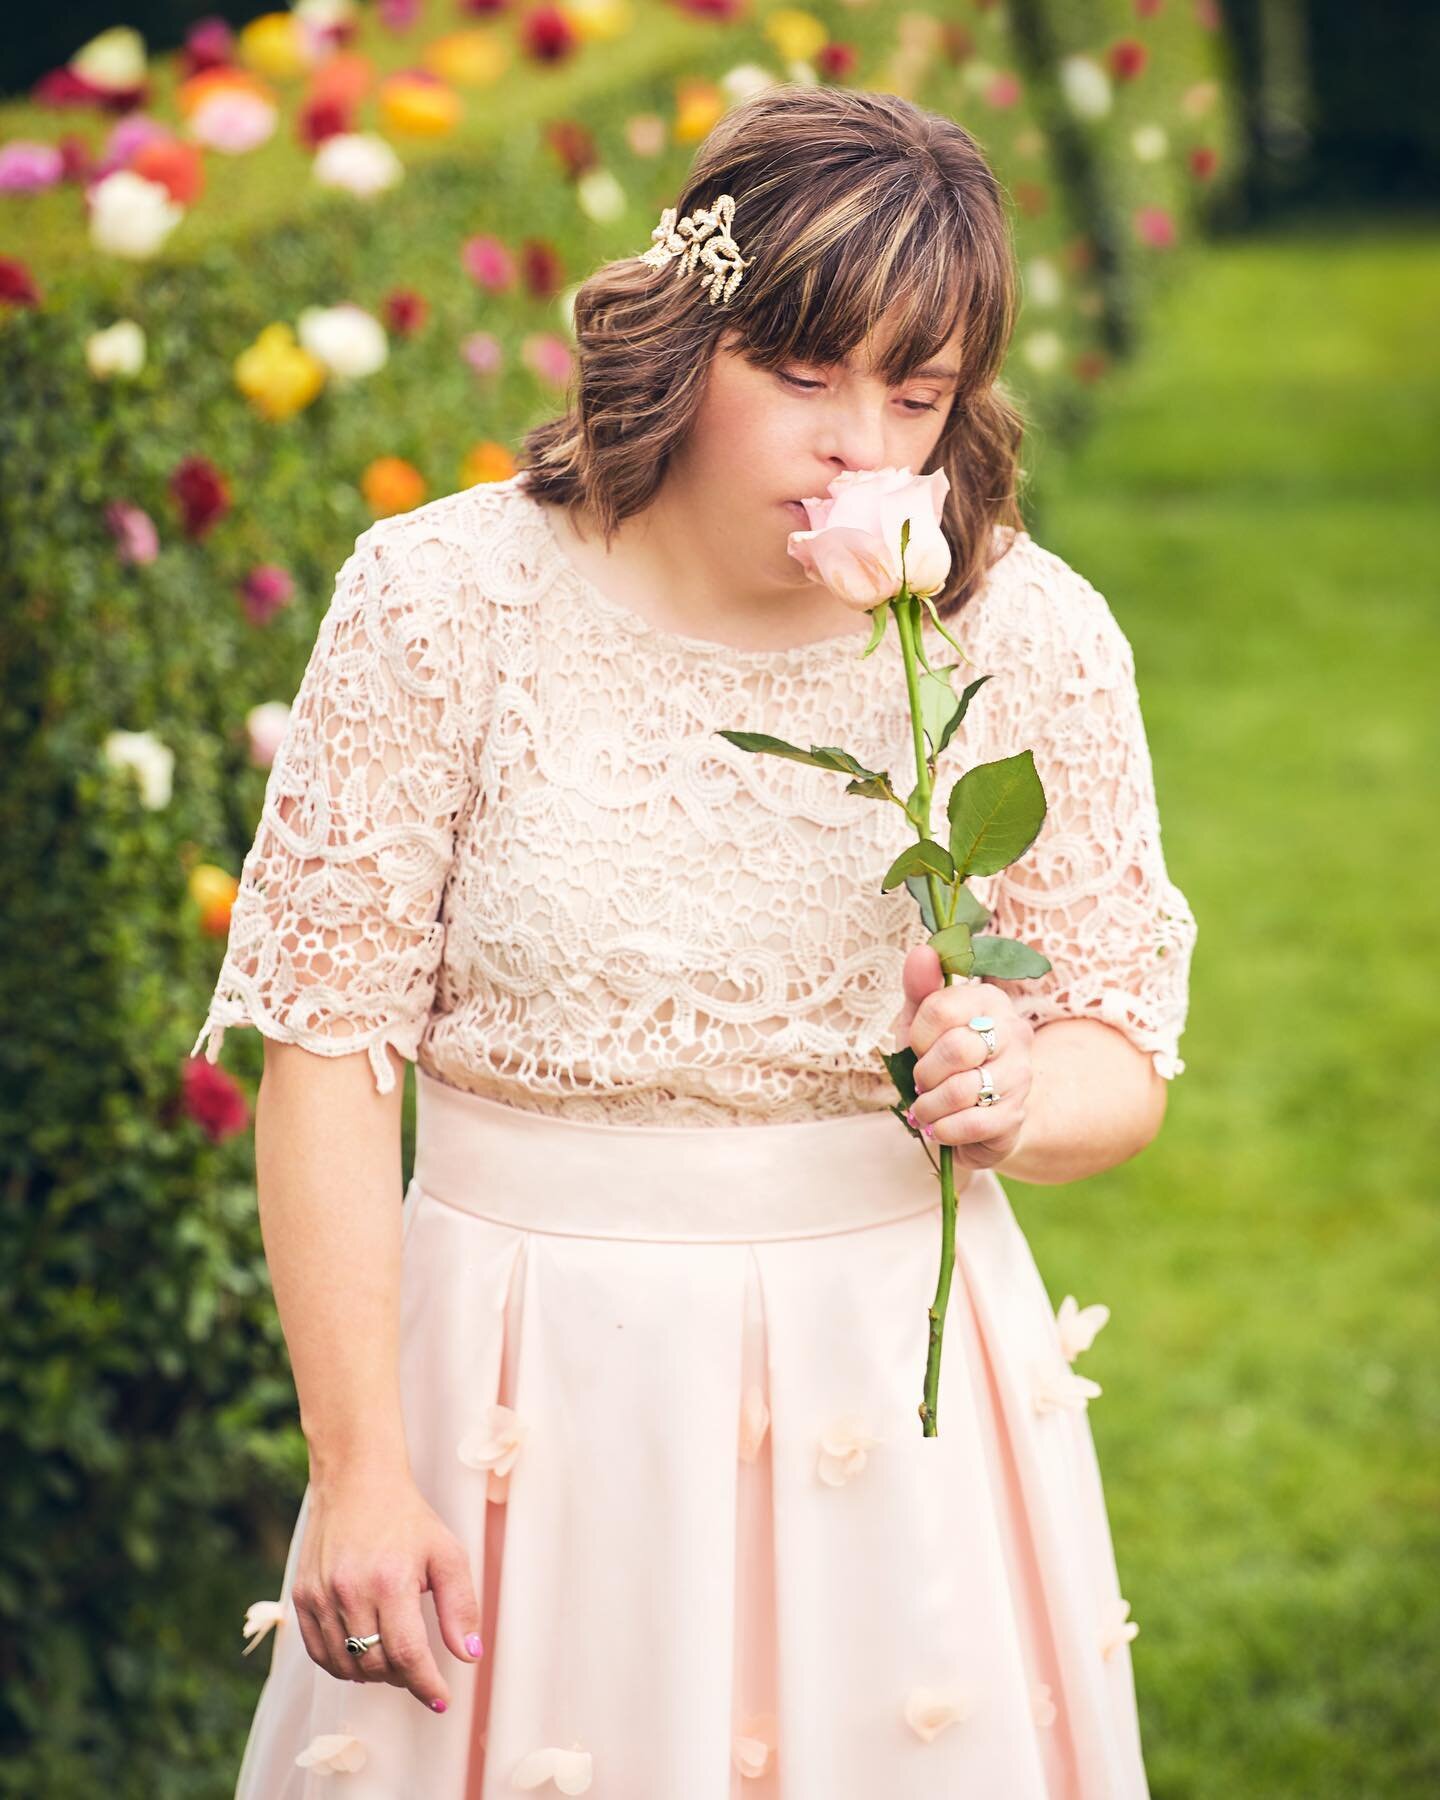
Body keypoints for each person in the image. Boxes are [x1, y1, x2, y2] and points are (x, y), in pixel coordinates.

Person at [193, 83, 1196, 1798]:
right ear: (682, 341)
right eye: (802, 374)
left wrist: (1019, 1087)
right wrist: (363, 1465)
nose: (863, 447)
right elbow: (329, 1050)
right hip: (514, 1400)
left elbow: (1123, 1045)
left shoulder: (1022, 637)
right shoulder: (446, 603)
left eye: (917, 393)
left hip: (894, 1401)